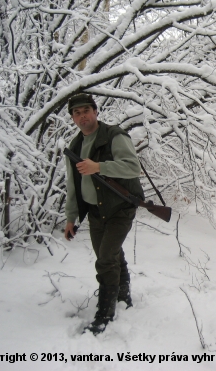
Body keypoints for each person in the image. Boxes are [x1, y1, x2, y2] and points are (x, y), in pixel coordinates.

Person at [63, 94, 144, 335]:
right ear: (73, 118)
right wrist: (71, 218)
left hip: (120, 207)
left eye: (86, 110)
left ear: (95, 112)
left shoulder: (114, 136)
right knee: (109, 253)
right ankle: (123, 292)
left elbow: (132, 167)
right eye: (76, 113)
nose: (82, 116)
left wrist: (99, 167)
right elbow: (73, 185)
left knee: (105, 259)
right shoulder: (75, 146)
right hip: (96, 211)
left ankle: (105, 312)